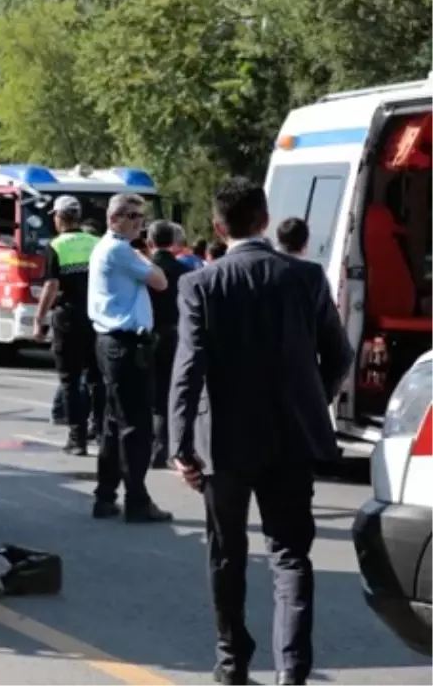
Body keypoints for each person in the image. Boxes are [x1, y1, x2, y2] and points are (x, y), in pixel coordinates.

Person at [170, 178, 354, 686]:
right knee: (291, 557)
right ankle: (291, 672)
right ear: (265, 219)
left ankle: (232, 662)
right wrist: (313, 400)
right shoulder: (307, 278)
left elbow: (188, 369)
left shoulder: (200, 285)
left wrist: (181, 446)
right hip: (291, 440)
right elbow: (339, 354)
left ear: (216, 226)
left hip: (223, 444)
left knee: (226, 554)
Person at [88, 193, 172, 523]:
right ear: (114, 219)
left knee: (114, 422)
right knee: (135, 426)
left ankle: (105, 496)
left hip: (112, 343)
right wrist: (147, 254)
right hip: (125, 345)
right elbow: (161, 281)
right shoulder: (121, 250)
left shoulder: (109, 248)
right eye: (132, 216)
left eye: (141, 216)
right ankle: (137, 499)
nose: (140, 222)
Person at [33, 196, 103, 455]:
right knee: (97, 378)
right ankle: (101, 431)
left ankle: (77, 439)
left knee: (70, 380)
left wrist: (39, 319)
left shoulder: (56, 246)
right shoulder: (96, 243)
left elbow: (51, 286)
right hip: (96, 317)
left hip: (68, 318)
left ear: (60, 218)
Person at [146, 221, 188, 469]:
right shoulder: (183, 270)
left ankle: (153, 446)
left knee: (149, 393)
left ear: (150, 242)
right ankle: (165, 445)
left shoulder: (147, 270)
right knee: (169, 391)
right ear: (173, 242)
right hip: (176, 334)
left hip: (150, 334)